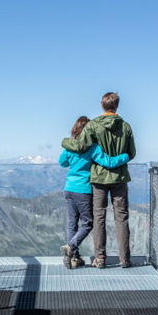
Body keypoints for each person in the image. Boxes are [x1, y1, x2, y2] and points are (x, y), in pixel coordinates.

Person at [60, 92, 136, 268]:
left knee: (98, 217)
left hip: (98, 178)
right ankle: (124, 259)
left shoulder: (93, 125)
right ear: (117, 106)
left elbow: (79, 146)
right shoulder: (126, 127)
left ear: (102, 105)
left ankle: (100, 258)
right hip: (120, 177)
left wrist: (64, 141)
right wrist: (123, 156)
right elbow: (131, 153)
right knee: (121, 218)